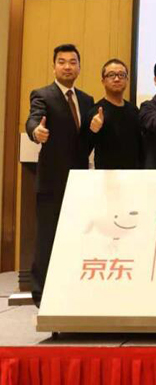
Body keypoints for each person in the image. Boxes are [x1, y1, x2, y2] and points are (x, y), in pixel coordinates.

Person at [25, 44, 94, 306]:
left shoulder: (86, 100)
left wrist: (95, 129)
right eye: (62, 62)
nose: (67, 67)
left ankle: (70, 289)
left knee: (76, 236)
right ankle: (41, 294)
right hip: (52, 181)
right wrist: (36, 132)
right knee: (47, 237)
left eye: (73, 62)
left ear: (79, 67)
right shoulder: (43, 95)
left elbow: (84, 140)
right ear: (54, 67)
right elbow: (33, 120)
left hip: (79, 182)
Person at [87, 59, 142, 169]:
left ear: (127, 80)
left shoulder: (134, 110)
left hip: (133, 174)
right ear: (103, 81)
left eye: (121, 75)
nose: (117, 79)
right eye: (111, 75)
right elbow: (85, 147)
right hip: (106, 175)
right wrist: (93, 131)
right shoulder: (96, 112)